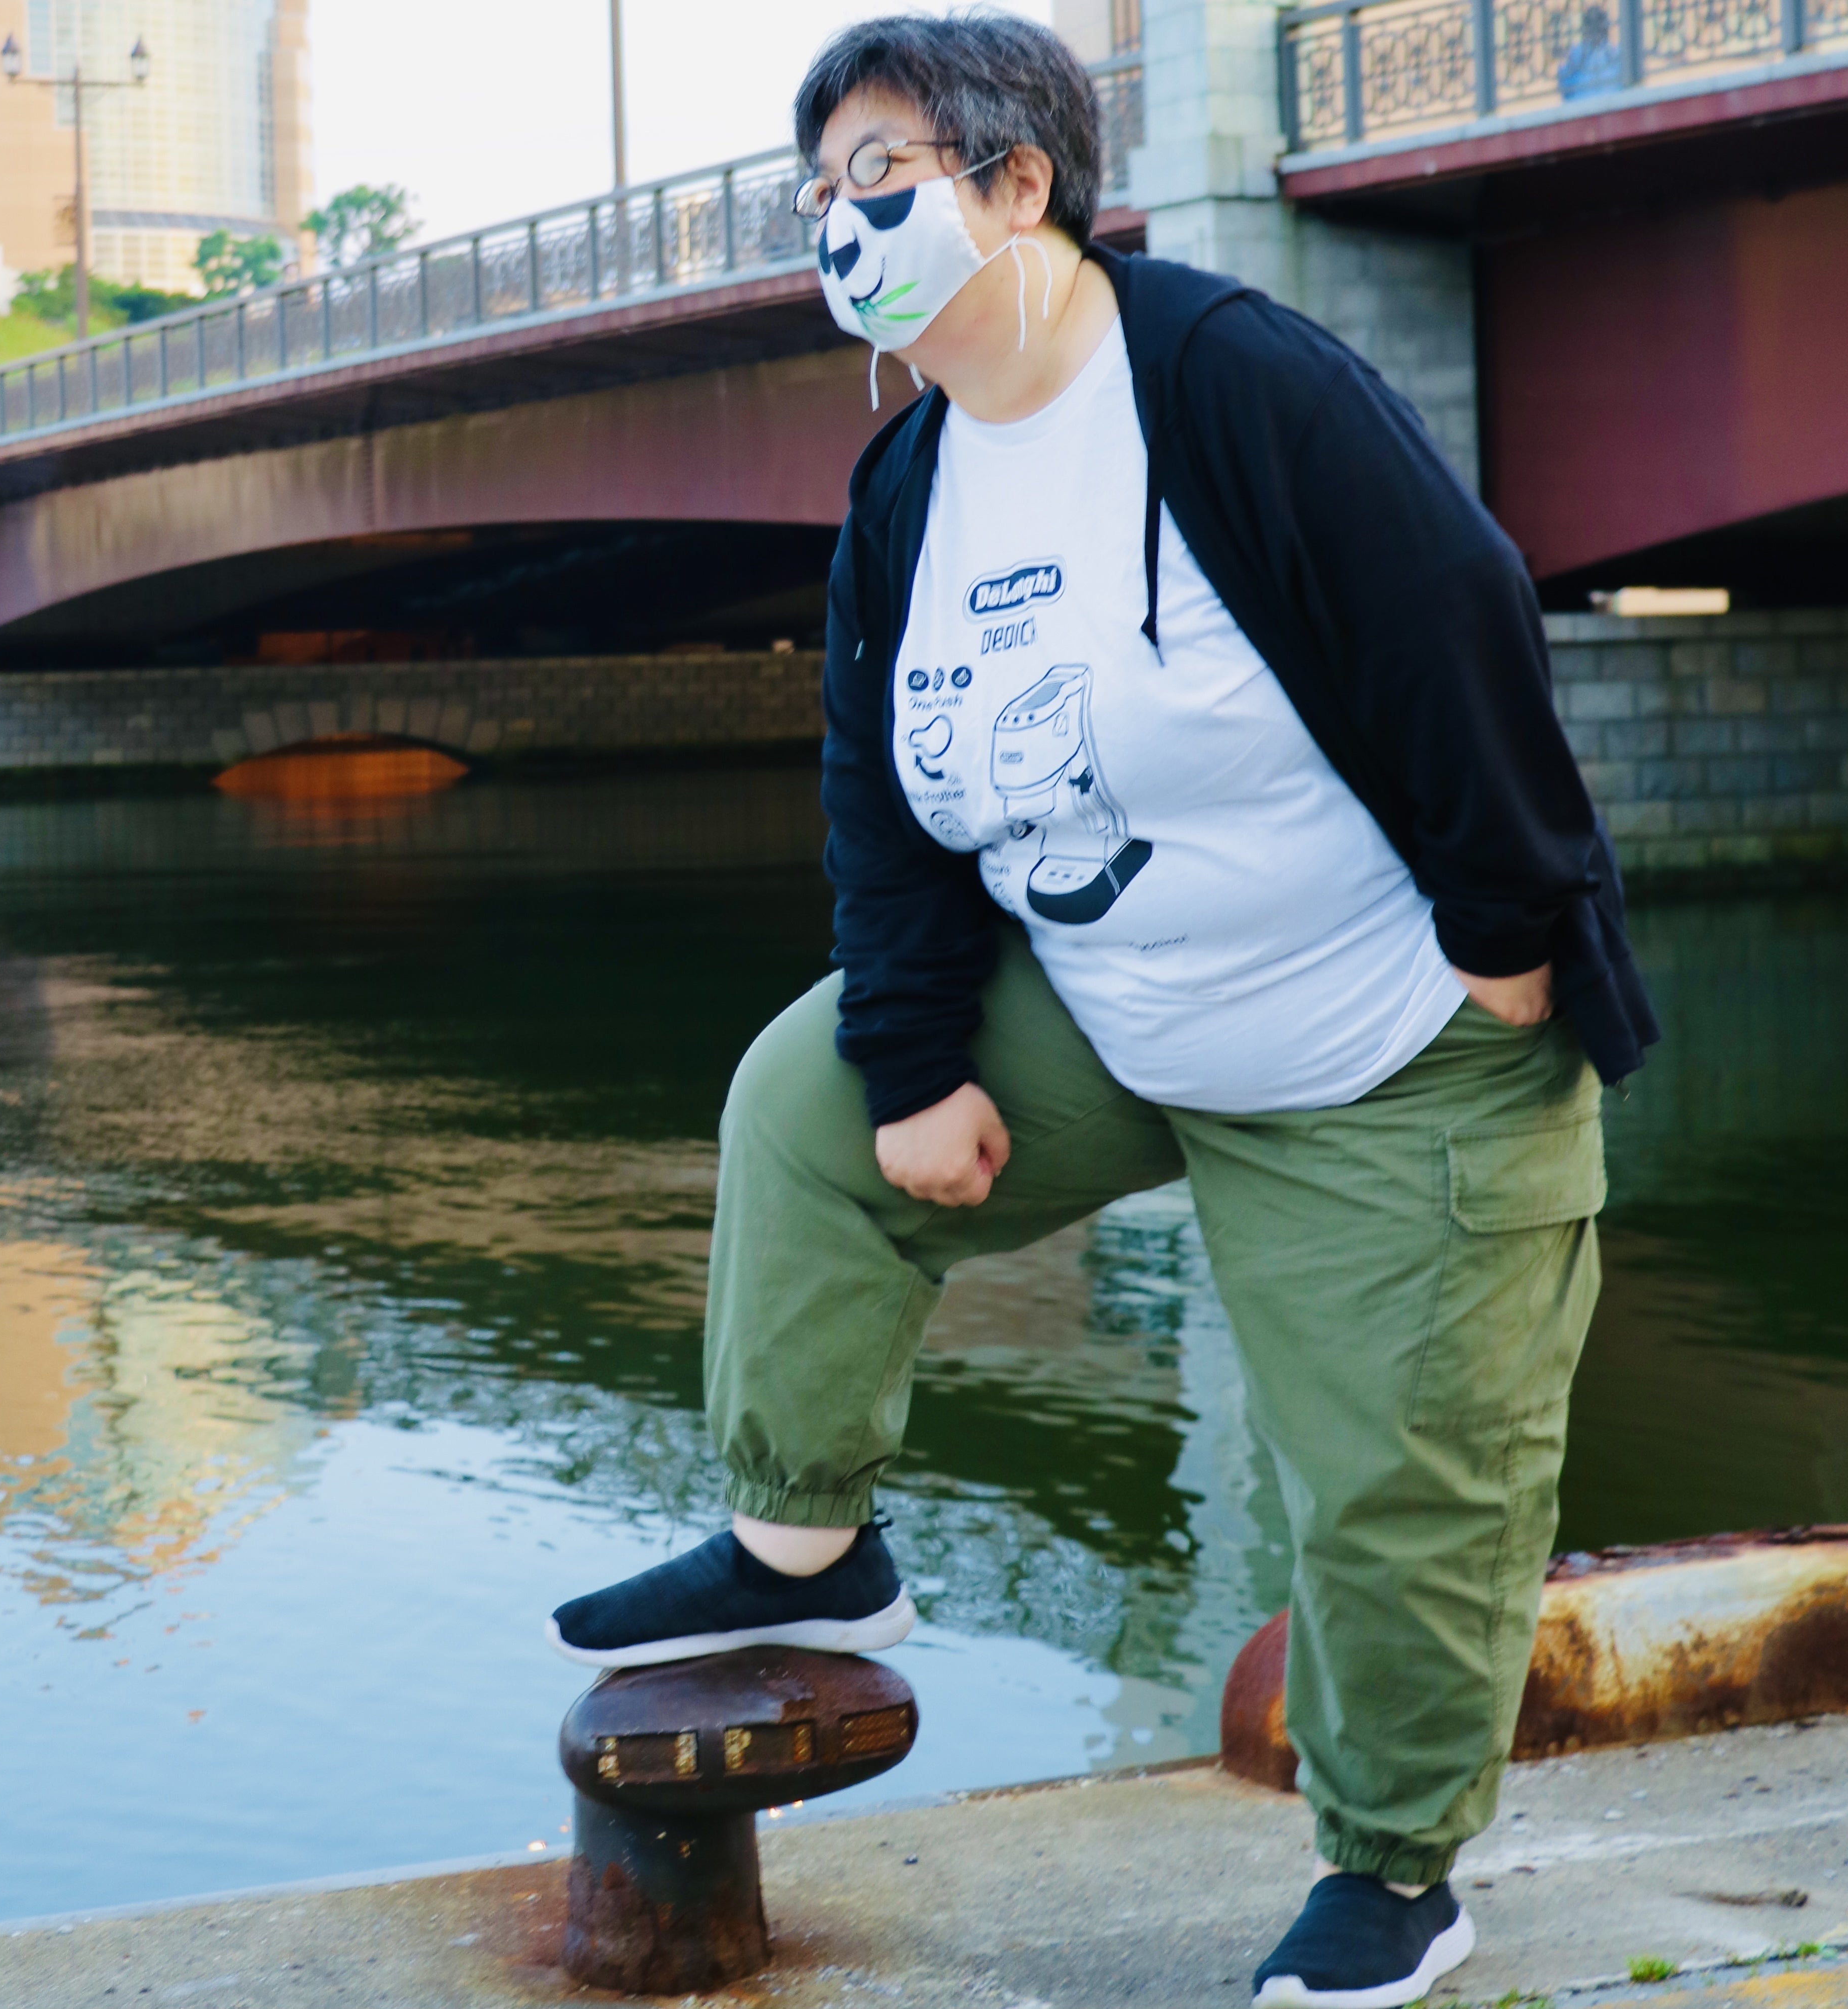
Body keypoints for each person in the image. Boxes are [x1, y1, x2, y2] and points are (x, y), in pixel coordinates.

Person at [550, 15, 1658, 2006]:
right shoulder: (908, 479)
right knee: (805, 1100)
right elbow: (873, 790)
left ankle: (1393, 1870)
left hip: (1375, 1042)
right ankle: (804, 1545)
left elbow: (1455, 617)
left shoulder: (1226, 381)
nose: (839, 225)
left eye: (878, 176)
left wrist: (1513, 929)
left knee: (1395, 1486)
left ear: (1018, 181)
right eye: (816, 196)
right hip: (1117, 1002)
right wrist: (912, 1058)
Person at [1558, 7, 1624, 100]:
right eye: (1591, 24)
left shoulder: (1616, 53)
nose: (1595, 30)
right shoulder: (1576, 54)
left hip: (1613, 103)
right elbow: (1566, 87)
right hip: (1583, 104)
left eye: (1599, 24)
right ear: (1586, 29)